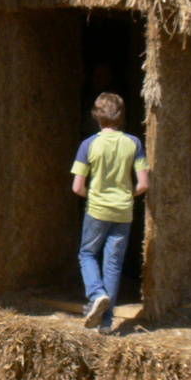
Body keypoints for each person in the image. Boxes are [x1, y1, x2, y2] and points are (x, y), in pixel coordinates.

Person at [72, 92, 150, 335]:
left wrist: (94, 197)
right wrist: (127, 196)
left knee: (87, 254)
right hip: (123, 212)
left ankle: (97, 294)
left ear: (96, 116)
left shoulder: (89, 145)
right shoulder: (134, 143)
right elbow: (144, 184)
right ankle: (106, 324)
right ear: (121, 116)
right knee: (113, 264)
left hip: (97, 210)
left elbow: (77, 186)